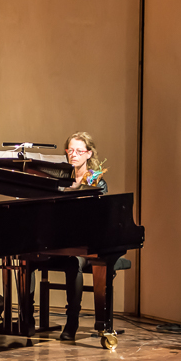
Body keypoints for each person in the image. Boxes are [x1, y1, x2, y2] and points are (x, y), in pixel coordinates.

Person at [53, 131, 108, 341]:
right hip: (60, 242)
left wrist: (77, 189)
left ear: (88, 154)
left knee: (73, 262)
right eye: (70, 150)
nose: (73, 155)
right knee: (29, 255)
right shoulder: (59, 180)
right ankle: (26, 321)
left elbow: (96, 219)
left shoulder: (96, 181)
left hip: (86, 244)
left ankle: (72, 322)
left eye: (78, 151)